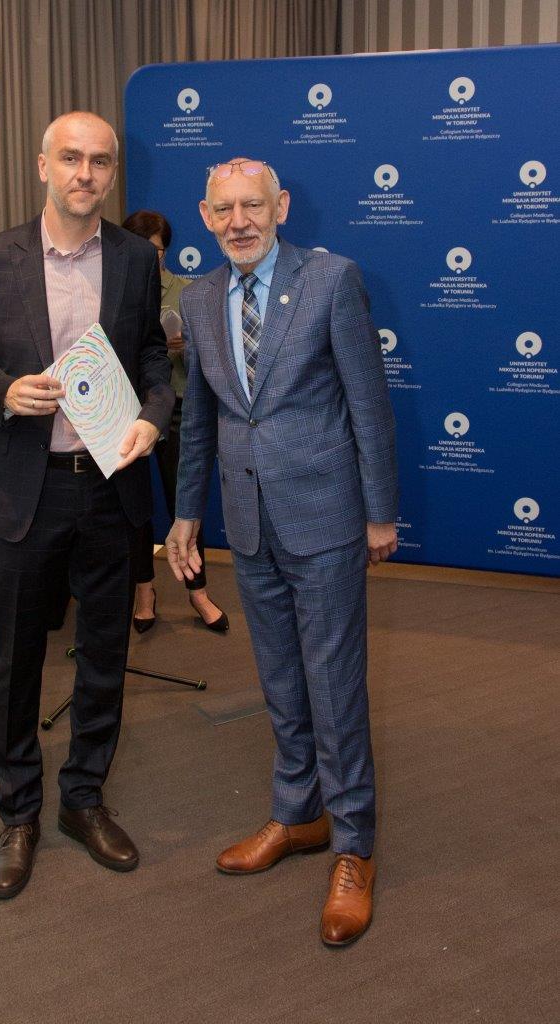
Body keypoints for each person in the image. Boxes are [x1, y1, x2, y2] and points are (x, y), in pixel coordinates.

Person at [166, 158, 398, 946]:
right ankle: (297, 813)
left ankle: (354, 845)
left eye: (253, 206)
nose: (239, 221)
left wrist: (379, 513)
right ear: (206, 216)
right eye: (224, 209)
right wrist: (187, 513)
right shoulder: (199, 300)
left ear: (281, 206)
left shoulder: (332, 281)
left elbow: (369, 404)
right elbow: (200, 420)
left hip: (326, 517)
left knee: (334, 685)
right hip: (249, 523)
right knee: (280, 680)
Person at [0, 111, 174, 899]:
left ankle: (82, 798)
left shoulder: (136, 259)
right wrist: (3, 390)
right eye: (70, 158)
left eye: (100, 161)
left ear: (113, 172)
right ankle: (18, 813)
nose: (85, 172)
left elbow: (153, 358)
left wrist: (153, 418)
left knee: (104, 655)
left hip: (109, 487)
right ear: (42, 166)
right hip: (24, 490)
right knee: (16, 662)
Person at [121, 209, 228, 634]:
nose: (151, 259)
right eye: (140, 250)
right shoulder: (113, 291)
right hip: (127, 412)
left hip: (178, 408)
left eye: (158, 251)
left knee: (184, 504)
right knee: (134, 509)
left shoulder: (188, 293)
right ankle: (144, 591)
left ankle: (198, 592)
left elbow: (215, 360)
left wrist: (188, 349)